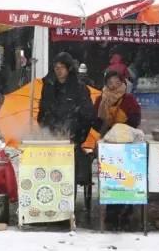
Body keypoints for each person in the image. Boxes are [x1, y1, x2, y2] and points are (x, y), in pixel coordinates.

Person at [37, 52, 96, 185]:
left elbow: (88, 114)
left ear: (69, 68)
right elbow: (43, 110)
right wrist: (45, 128)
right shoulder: (48, 86)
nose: (58, 71)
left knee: (69, 173)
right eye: (56, 67)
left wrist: (75, 132)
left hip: (73, 136)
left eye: (61, 67)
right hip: (51, 136)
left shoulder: (79, 87)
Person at [94, 70, 142, 230]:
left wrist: (121, 125)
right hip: (108, 145)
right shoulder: (101, 99)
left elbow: (136, 120)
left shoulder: (129, 100)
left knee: (126, 177)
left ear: (122, 83)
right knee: (111, 177)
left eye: (116, 81)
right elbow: (95, 122)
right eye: (109, 81)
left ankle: (126, 209)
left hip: (126, 146)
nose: (112, 84)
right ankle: (111, 211)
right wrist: (106, 123)